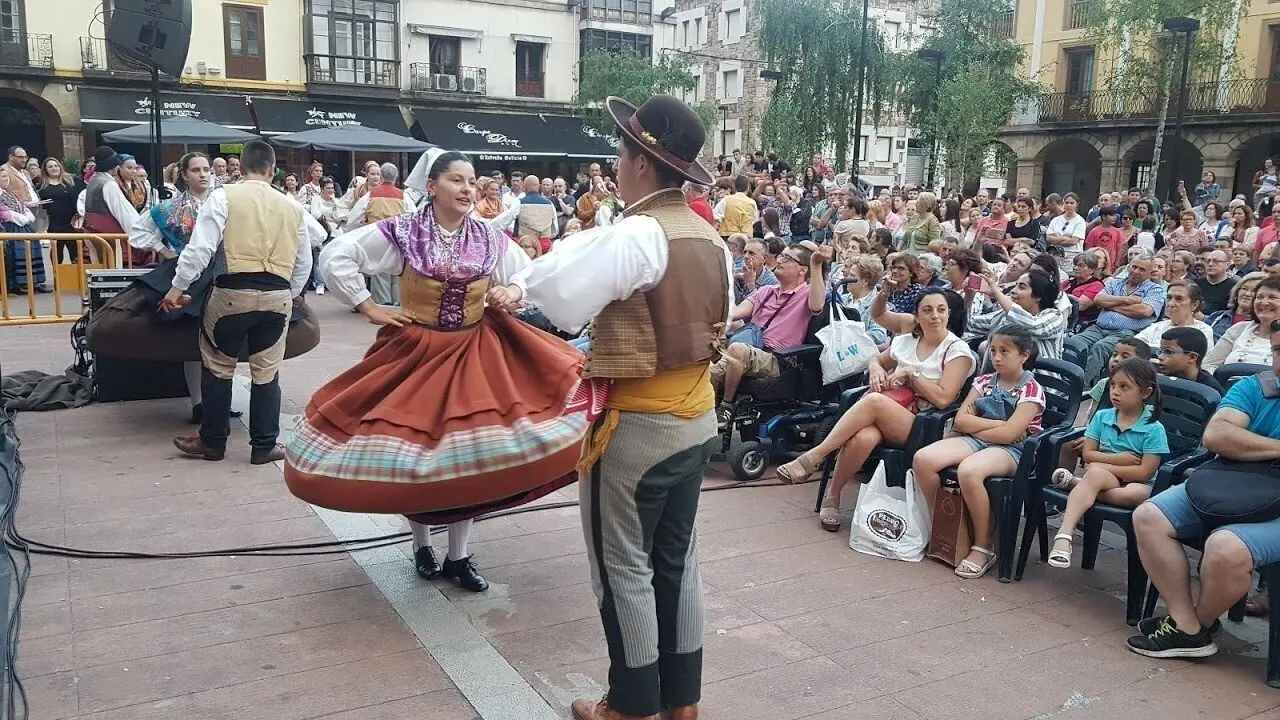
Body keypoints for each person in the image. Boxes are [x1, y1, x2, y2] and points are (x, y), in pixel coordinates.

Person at [492, 95, 732, 720]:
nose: (616, 162)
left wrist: (515, 289)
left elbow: (563, 293)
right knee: (678, 559)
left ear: (643, 163)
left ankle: (629, 707)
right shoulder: (712, 237)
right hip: (697, 419)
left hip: (640, 427)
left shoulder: (639, 232)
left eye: (621, 152)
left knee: (623, 565)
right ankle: (683, 704)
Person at [1127, 320, 1280, 658]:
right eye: (1278, 350)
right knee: (1149, 515)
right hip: (1234, 479)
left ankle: (1197, 623)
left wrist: (1250, 445)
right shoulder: (1257, 387)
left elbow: (1233, 438)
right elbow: (1217, 437)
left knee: (1226, 547)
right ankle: (1188, 625)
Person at [165, 140, 319, 464]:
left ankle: (213, 442)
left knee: (219, 367)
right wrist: (288, 294)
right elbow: (304, 261)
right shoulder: (292, 206)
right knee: (267, 372)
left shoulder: (223, 196)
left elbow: (199, 250)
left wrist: (177, 288)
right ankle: (264, 445)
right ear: (273, 169)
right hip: (277, 298)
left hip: (230, 296)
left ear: (241, 166)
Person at [775, 287, 976, 530]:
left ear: (948, 314)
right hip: (890, 413)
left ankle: (816, 455)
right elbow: (876, 358)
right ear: (917, 316)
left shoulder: (957, 351)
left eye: (941, 310)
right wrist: (875, 369)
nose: (935, 316)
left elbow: (944, 399)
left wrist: (911, 375)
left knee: (874, 401)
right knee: (863, 436)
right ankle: (833, 497)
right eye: (928, 310)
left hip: (925, 424)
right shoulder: (907, 341)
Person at [912, 325, 1047, 579]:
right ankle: (952, 527)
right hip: (977, 440)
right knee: (923, 459)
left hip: (1013, 452)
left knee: (970, 470)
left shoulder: (1031, 390)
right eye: (993, 350)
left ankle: (984, 545)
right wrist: (1000, 425)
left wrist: (988, 427)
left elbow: (1010, 437)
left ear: (1024, 355)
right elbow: (962, 420)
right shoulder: (984, 381)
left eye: (1005, 351)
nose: (996, 357)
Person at [126, 152, 233, 424]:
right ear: (184, 175)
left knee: (222, 339)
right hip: (186, 274)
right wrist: (164, 250)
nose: (203, 174)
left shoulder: (225, 200)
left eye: (206, 169)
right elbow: (137, 232)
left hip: (221, 271)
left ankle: (220, 399)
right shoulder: (169, 208)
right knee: (192, 340)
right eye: (196, 170)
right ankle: (199, 403)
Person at [1047, 358, 1169, 568]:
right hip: (1104, 478)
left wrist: (1101, 465)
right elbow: (1088, 455)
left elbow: (1144, 473)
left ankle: (1077, 485)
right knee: (1094, 475)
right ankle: (1064, 534)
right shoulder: (1103, 416)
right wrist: (1118, 460)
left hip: (1135, 484)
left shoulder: (1153, 428)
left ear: (1146, 392)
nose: (1115, 392)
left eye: (1124, 387)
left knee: (1135, 493)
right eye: (1113, 385)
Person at [1063, 255, 1165, 384]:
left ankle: (1079, 386)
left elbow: (1144, 311)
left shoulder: (1155, 289)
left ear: (1150, 272)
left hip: (1126, 333)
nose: (1136, 271)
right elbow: (1099, 300)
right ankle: (1063, 376)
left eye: (1142, 269)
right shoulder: (1116, 282)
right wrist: (1127, 300)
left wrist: (1111, 305)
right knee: (1074, 342)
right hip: (1099, 327)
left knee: (1100, 347)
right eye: (1134, 267)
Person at [1156, 326, 1225, 394]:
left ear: (1192, 357)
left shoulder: (1210, 391)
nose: (1160, 357)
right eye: (1161, 351)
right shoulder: (1159, 382)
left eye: (1168, 352)